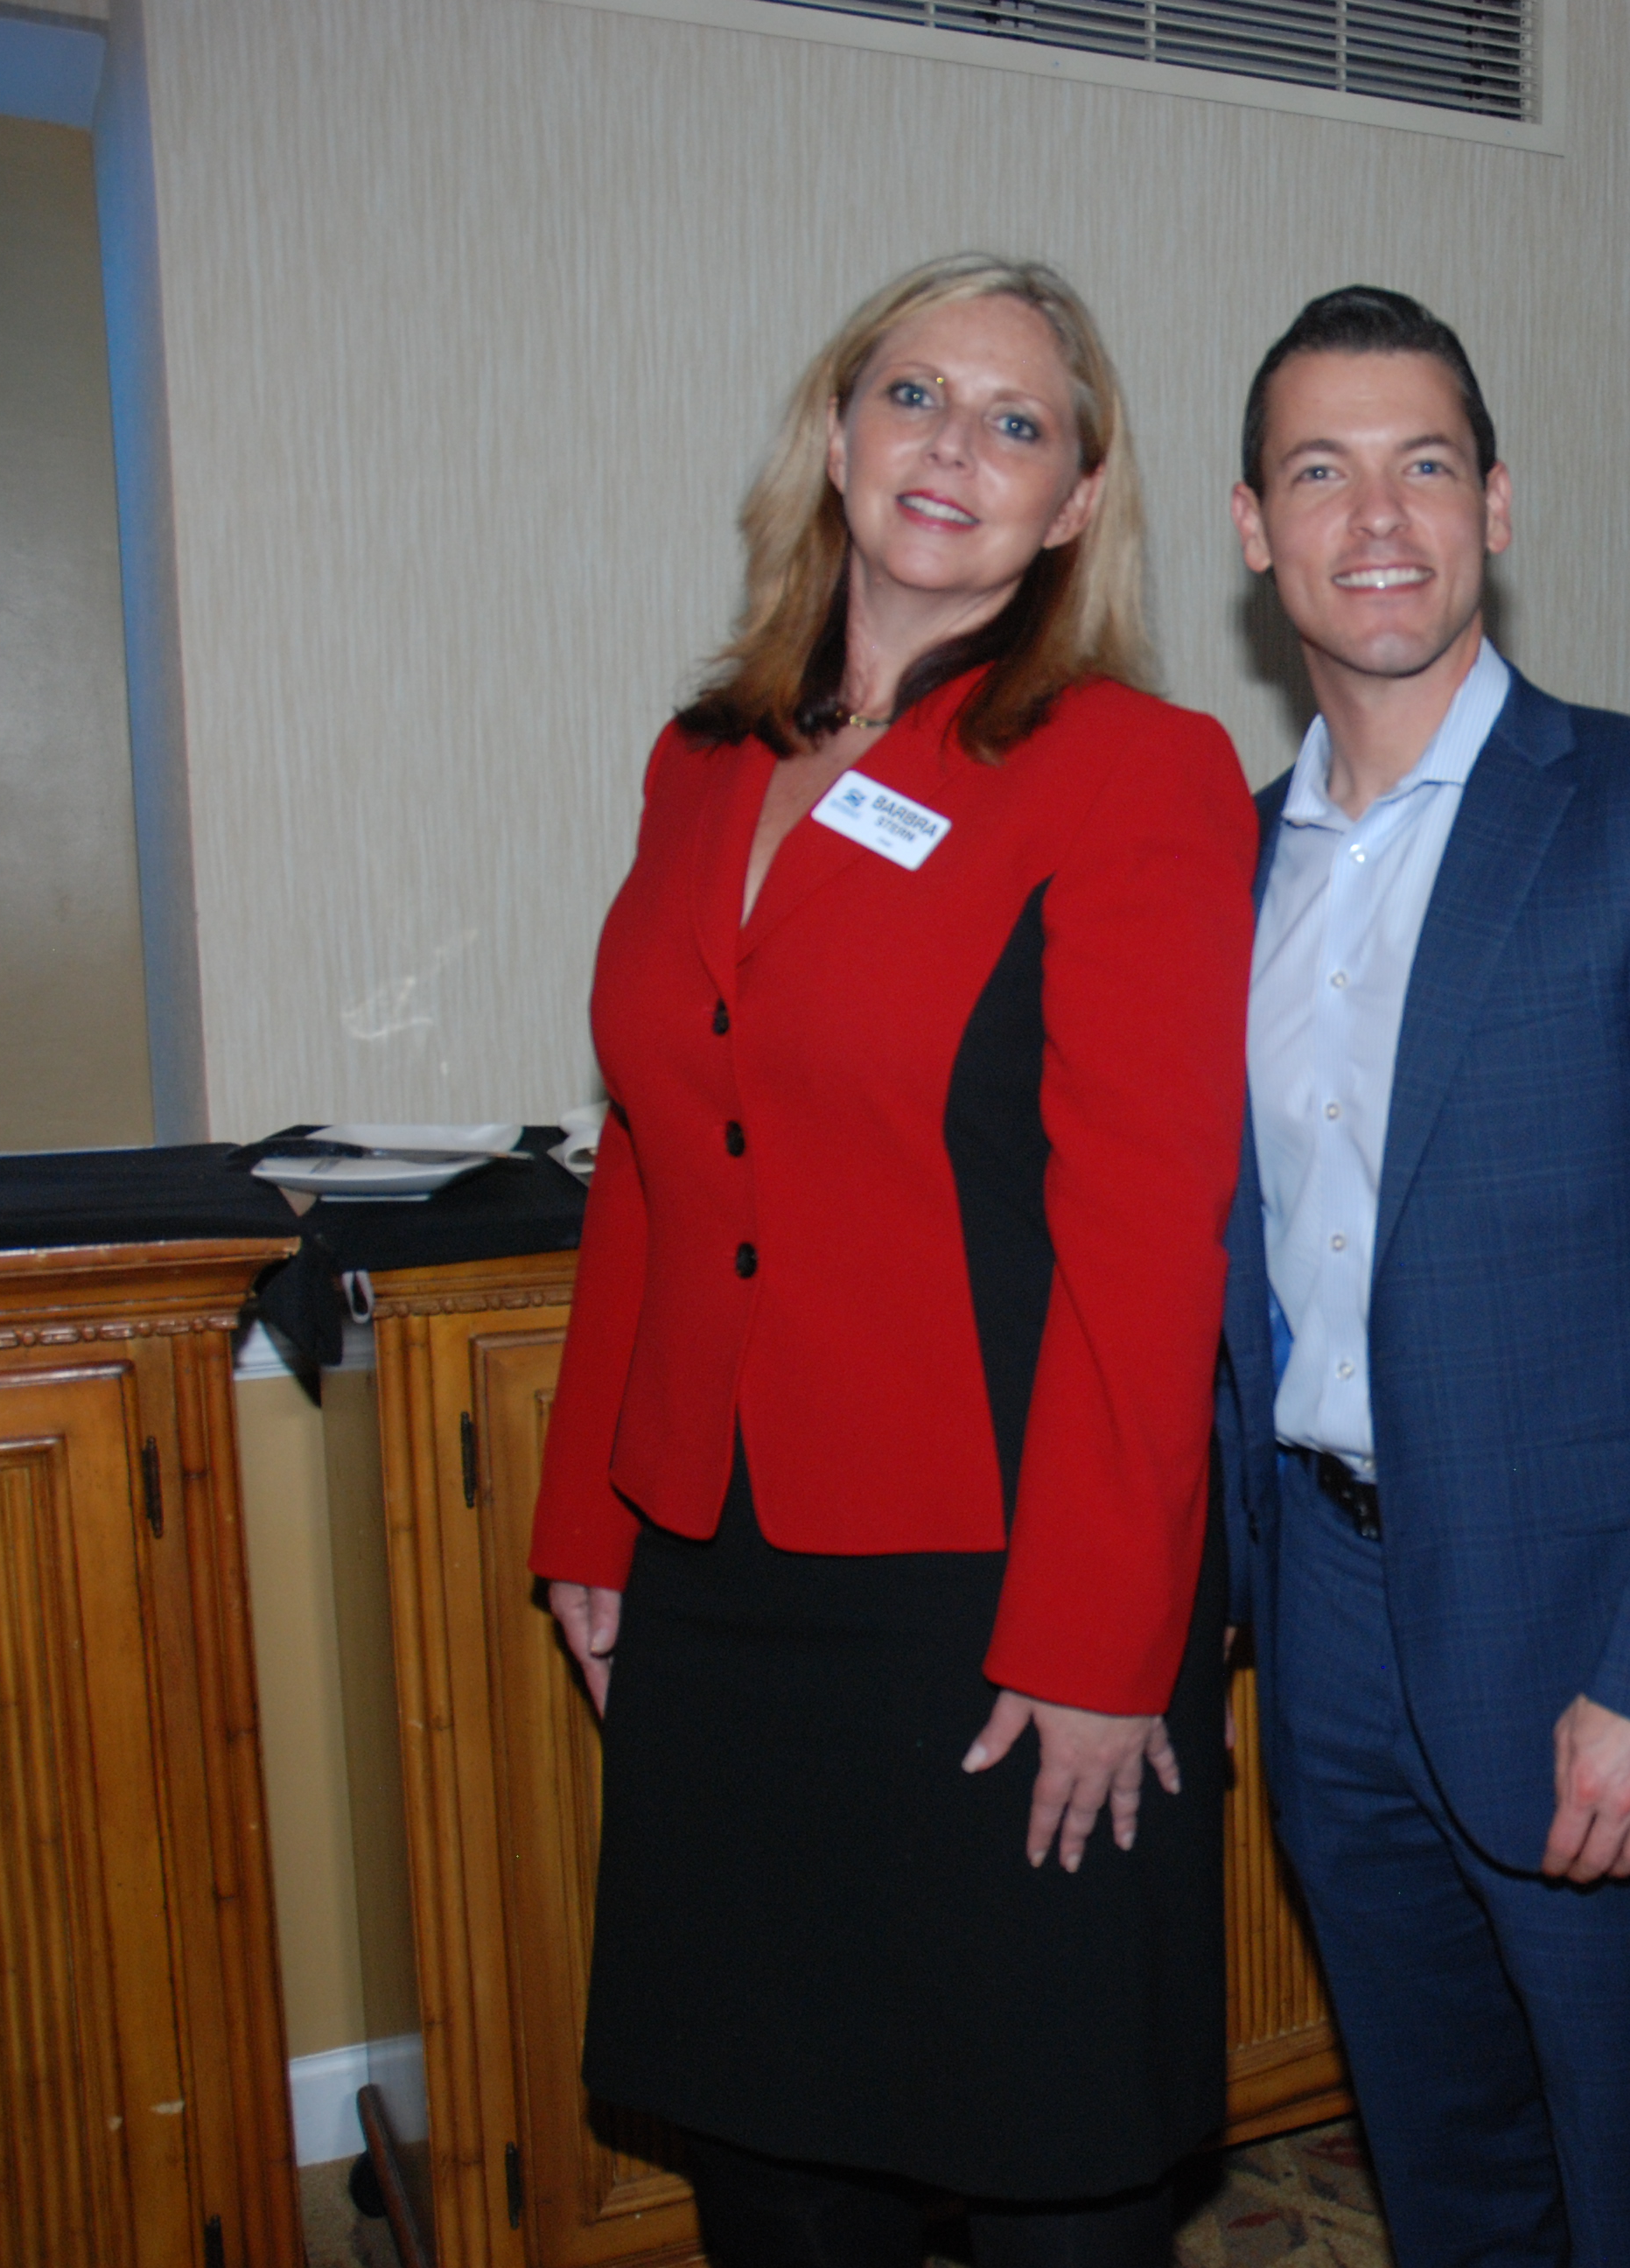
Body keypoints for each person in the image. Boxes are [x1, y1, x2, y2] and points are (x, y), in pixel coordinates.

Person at [527, 253, 1254, 2268]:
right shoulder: (698, 765)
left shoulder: (1126, 767)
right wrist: (591, 1516)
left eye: (1019, 423)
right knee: (773, 2165)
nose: (956, 449)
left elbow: (1146, 1243)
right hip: (721, 1583)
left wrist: (1107, 1647)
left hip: (997, 1596)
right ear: (835, 438)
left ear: (1079, 502)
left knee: (1050, 2172)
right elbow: (652, 1170)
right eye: (915, 397)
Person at [1214, 285, 1630, 2268]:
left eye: (1423, 463)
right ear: (1254, 529)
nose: (1376, 516)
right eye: (1321, 470)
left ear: (1496, 503)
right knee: (1442, 2152)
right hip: (1326, 1613)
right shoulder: (1218, 867)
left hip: (1597, 1637)